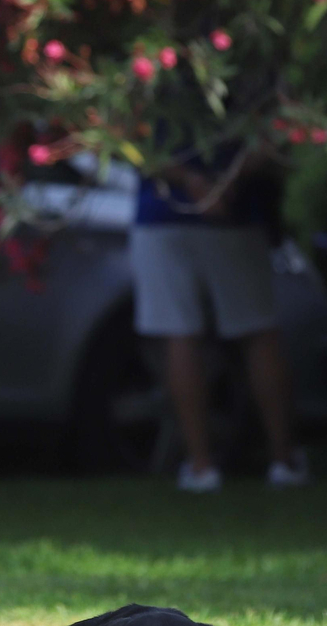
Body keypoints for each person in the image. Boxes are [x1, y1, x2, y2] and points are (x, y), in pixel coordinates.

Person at [130, 155, 309, 493]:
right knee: (257, 332)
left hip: (165, 214)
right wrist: (222, 184)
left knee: (181, 334)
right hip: (231, 214)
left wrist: (189, 181)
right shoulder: (246, 99)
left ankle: (201, 466)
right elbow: (268, 142)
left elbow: (136, 146)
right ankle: (284, 461)